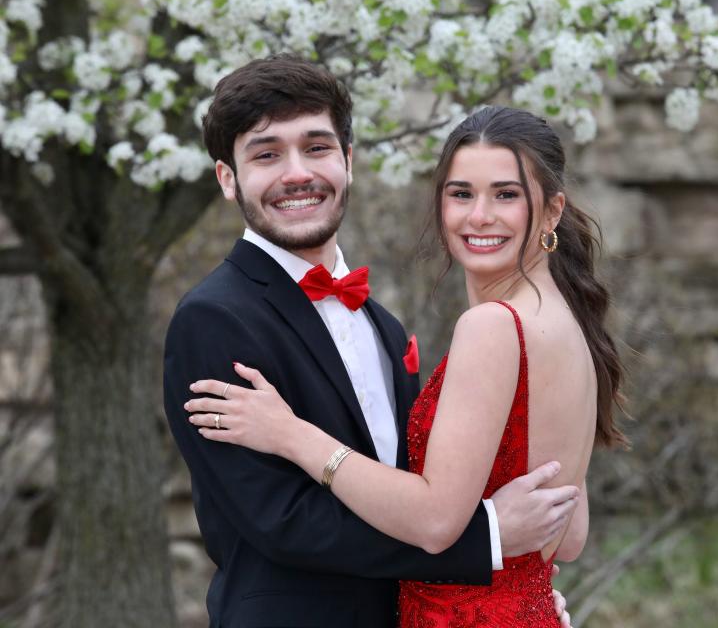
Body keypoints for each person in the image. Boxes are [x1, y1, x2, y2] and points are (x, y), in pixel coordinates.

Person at [163, 56, 580, 628]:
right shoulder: (212, 318)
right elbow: (281, 519)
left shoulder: (381, 324)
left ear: (348, 161)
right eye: (266, 154)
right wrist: (486, 547)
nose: (296, 173)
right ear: (227, 178)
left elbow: (414, 492)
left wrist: (514, 593)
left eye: (316, 147)